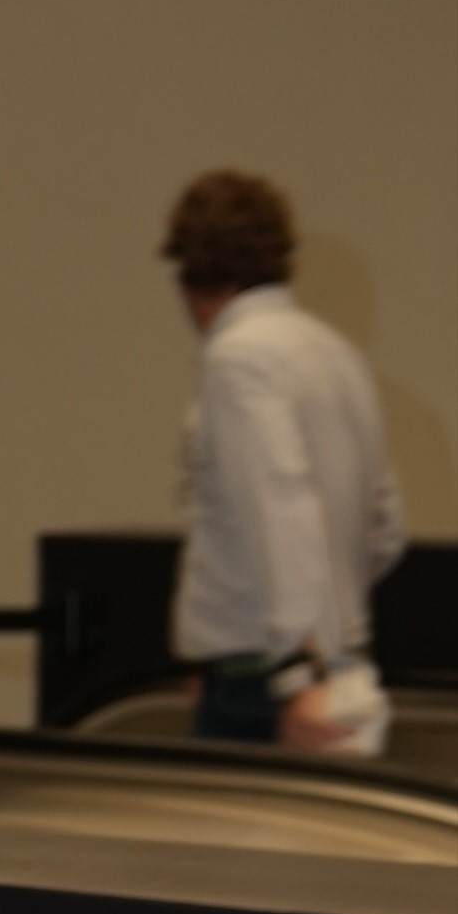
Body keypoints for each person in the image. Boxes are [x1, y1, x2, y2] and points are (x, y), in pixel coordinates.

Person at [162, 171, 403, 754]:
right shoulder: (337, 353)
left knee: (235, 819)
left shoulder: (237, 359)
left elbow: (280, 509)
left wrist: (297, 671)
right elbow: (386, 527)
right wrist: (335, 627)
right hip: (341, 665)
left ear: (187, 270)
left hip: (271, 679)